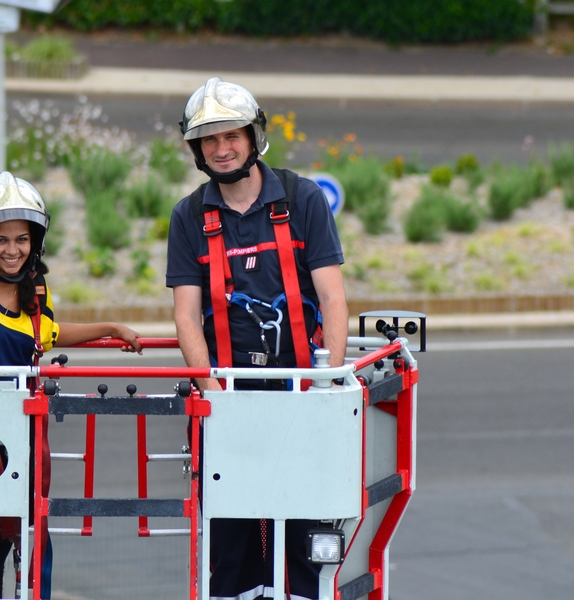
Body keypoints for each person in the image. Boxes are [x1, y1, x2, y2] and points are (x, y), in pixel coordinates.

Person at [166, 77, 348, 600]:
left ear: (253, 136)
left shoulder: (301, 198)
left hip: (299, 390)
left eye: (232, 136)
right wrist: (213, 393)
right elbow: (186, 316)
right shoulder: (189, 216)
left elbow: (333, 299)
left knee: (306, 536)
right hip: (229, 396)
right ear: (197, 149)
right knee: (230, 541)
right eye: (209, 140)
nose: (222, 149)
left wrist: (324, 384)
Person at [0, 171, 142, 599]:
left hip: (13, 453)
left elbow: (50, 333)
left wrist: (112, 327)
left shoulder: (35, 290)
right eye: (1, 239)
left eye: (21, 239)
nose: (12, 250)